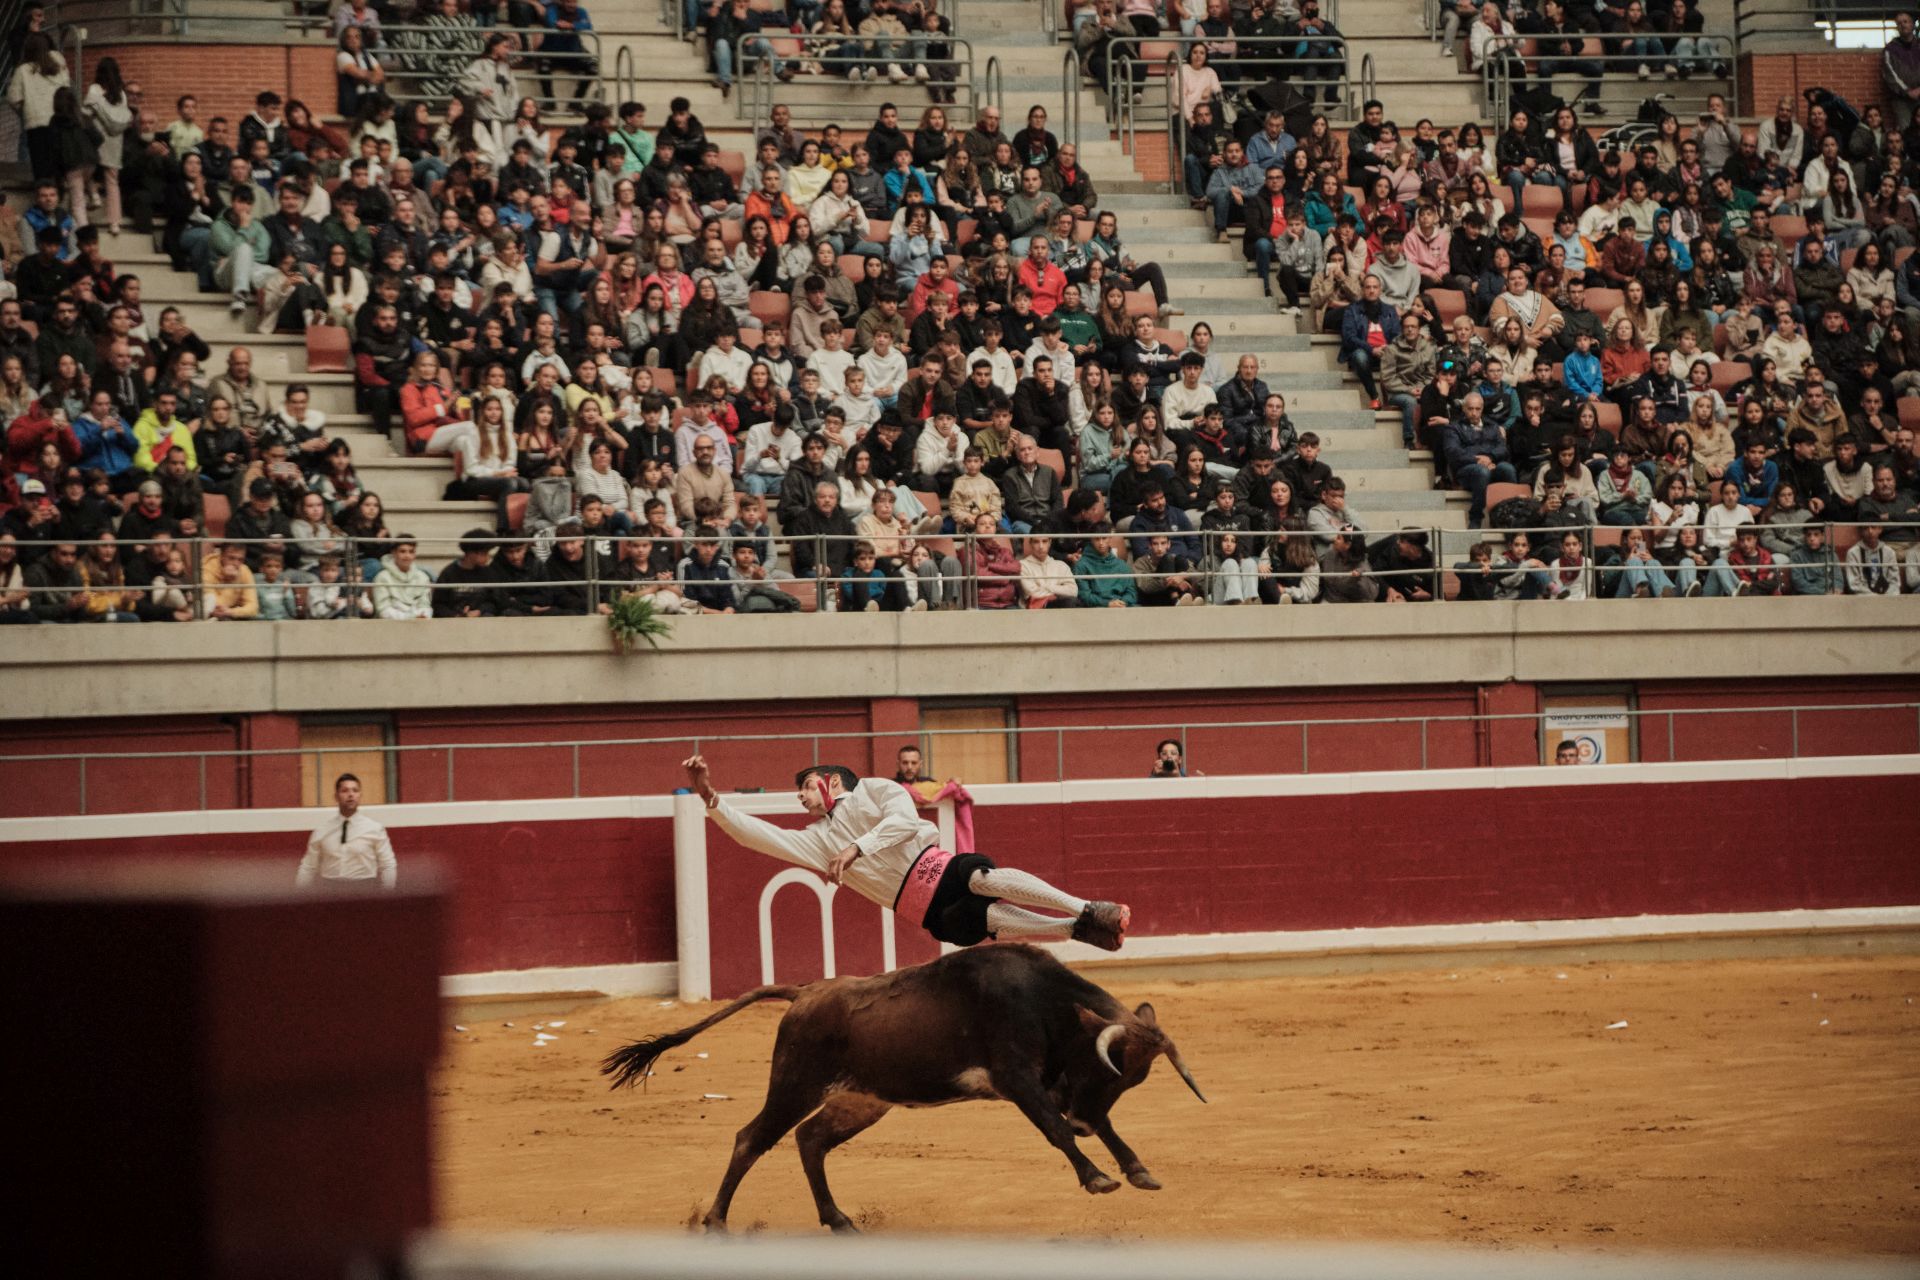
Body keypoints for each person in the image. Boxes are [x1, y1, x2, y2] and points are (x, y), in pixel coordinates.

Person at [681, 754, 1131, 950]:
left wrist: (856, 847)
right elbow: (753, 835)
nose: (800, 797)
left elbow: (903, 822)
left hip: (937, 868)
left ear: (832, 781)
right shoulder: (817, 841)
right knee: (988, 922)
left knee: (982, 880)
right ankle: (1073, 928)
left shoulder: (874, 789)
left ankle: (1090, 908)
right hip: (920, 909)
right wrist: (710, 799)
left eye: (805, 786)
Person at [296, 773, 398, 889]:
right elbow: (308, 867)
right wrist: (299, 894)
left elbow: (388, 865)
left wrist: (387, 894)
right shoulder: (322, 831)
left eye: (355, 790)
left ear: (360, 795)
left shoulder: (374, 829)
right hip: (330, 891)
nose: (351, 795)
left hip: (364, 889)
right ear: (336, 796)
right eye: (345, 791)